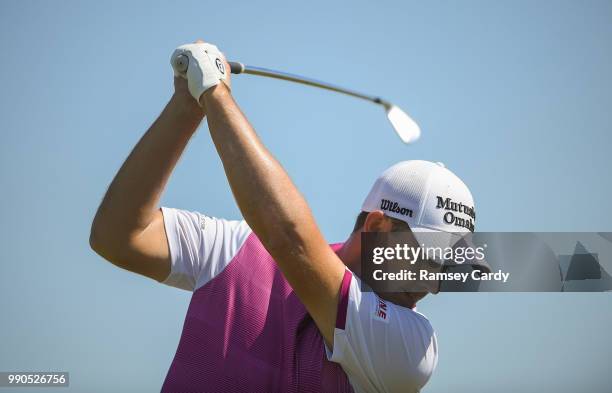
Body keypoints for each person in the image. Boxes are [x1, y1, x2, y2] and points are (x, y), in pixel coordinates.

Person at [90, 41, 477, 392]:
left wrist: (214, 94)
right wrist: (186, 107)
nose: (434, 282)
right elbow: (118, 235)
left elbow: (290, 239)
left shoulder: (412, 348)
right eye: (426, 258)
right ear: (377, 227)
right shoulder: (237, 250)